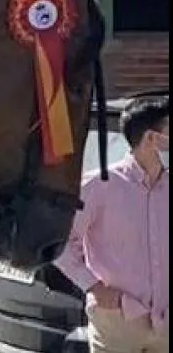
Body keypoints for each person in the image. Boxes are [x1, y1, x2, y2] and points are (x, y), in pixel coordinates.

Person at [55, 94, 169, 353]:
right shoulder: (99, 185)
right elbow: (60, 243)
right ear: (152, 139)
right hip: (117, 321)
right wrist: (94, 287)